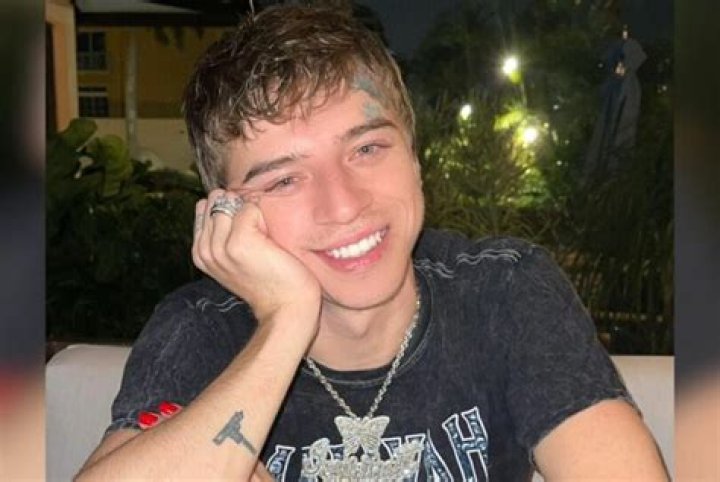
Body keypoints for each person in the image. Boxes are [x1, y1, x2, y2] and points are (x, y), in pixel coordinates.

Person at [76, 5, 668, 481]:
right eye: (283, 180)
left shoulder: (506, 291)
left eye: (367, 149)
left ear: (414, 157)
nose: (344, 205)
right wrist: (286, 319)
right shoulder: (202, 328)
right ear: (227, 215)